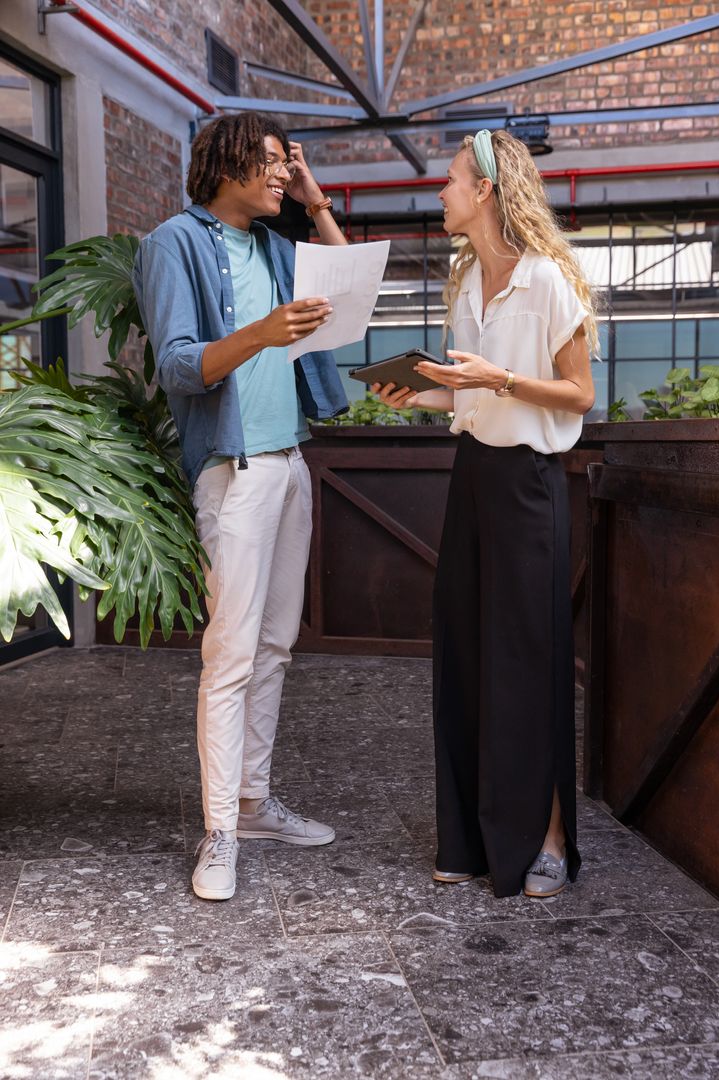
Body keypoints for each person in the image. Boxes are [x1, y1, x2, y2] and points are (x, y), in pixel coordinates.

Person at [373, 129, 596, 899]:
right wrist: (421, 392)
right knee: (465, 653)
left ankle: (551, 840)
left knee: (529, 662)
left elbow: (578, 395)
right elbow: (469, 394)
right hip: (471, 479)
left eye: (452, 180)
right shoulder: (464, 280)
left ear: (488, 191)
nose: (441, 191)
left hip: (530, 485)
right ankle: (468, 838)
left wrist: (501, 379)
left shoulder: (547, 281)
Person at [133, 112, 349, 901]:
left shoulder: (281, 248)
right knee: (229, 657)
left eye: (285, 166)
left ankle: (255, 803)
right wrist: (260, 331)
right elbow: (182, 367)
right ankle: (219, 829)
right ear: (224, 166)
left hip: (291, 462)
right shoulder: (173, 244)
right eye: (267, 163)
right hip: (234, 471)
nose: (281, 175)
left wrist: (319, 205)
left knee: (277, 645)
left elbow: (350, 287)